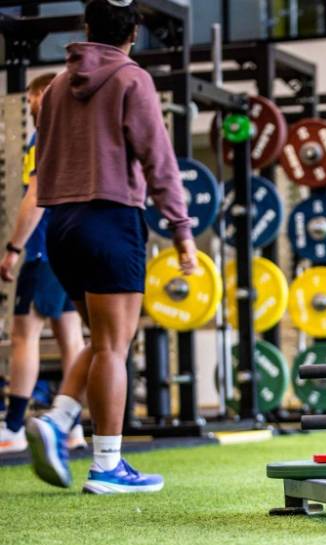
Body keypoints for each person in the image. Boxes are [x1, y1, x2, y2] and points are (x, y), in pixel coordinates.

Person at [26, 0, 196, 494]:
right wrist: (182, 230)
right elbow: (158, 159)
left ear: (86, 28)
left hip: (61, 225)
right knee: (115, 346)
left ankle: (58, 418)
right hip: (110, 217)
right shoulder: (131, 79)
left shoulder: (56, 87)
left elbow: (43, 168)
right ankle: (107, 466)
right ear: (134, 33)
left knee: (101, 340)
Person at [0, 73, 87, 456]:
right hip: (71, 249)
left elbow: (35, 197)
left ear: (43, 96)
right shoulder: (74, 137)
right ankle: (71, 428)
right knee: (71, 338)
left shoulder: (44, 137)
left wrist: (14, 247)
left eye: (36, 96)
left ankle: (14, 426)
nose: (33, 103)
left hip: (43, 251)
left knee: (24, 334)